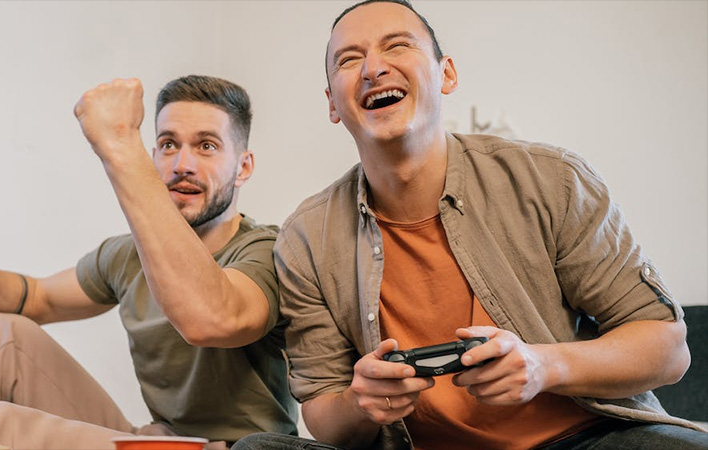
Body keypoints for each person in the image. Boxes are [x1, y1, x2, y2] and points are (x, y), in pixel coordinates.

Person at [233, 1, 708, 450]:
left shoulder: (551, 180)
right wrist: (362, 403)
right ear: (333, 104)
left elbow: (667, 348)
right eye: (349, 59)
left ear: (447, 74)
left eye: (397, 45)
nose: (373, 68)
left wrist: (544, 364)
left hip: (585, 438)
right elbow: (324, 414)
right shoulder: (305, 239)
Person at [0, 75, 298, 450]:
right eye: (166, 144)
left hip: (233, 449)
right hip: (155, 440)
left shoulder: (264, 251)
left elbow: (211, 318)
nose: (181, 163)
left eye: (206, 146)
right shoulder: (125, 254)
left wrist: (120, 143)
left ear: (243, 166)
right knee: (5, 335)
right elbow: (35, 300)